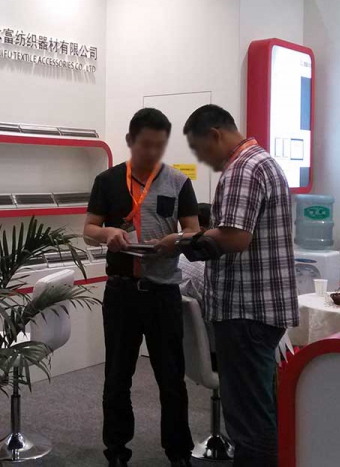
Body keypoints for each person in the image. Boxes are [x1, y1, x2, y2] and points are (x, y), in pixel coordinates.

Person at [158, 104, 298, 467]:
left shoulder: (242, 168)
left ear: (215, 135)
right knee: (259, 408)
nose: (203, 160)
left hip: (245, 310)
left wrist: (181, 241)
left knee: (248, 419)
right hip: (259, 309)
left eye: (200, 150)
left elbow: (235, 238)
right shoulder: (262, 161)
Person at [83, 108, 199, 467]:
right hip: (121, 292)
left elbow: (193, 231)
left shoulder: (178, 182)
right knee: (117, 376)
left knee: (171, 378)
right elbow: (88, 230)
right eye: (146, 144)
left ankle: (178, 452)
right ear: (130, 140)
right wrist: (107, 233)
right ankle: (117, 451)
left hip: (163, 292)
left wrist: (174, 240)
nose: (152, 152)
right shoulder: (107, 181)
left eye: (160, 145)